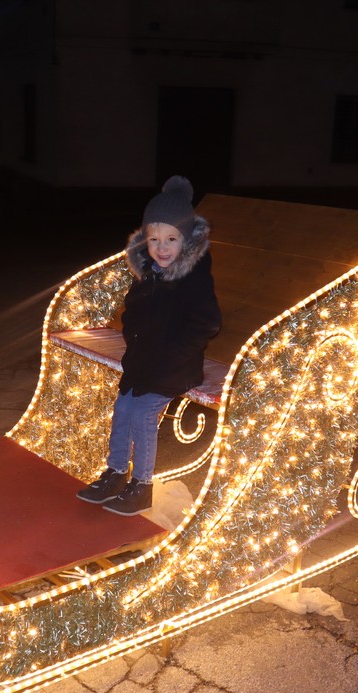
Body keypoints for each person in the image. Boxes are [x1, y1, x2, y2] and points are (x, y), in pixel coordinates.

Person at [76, 176, 222, 516]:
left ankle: (141, 485)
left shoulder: (193, 277)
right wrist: (133, 338)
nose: (162, 247)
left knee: (142, 415)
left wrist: (172, 356)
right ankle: (115, 473)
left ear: (186, 240)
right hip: (142, 362)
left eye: (171, 238)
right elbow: (134, 311)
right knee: (123, 406)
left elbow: (207, 323)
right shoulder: (148, 272)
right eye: (154, 239)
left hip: (175, 366)